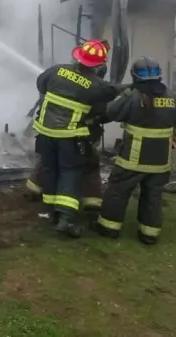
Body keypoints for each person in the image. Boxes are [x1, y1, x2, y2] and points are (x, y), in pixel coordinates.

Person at [95, 56, 176, 245]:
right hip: (160, 161)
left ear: (135, 77)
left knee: (118, 190)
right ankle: (149, 234)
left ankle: (109, 228)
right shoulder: (173, 97)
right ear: (159, 77)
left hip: (133, 158)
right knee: (153, 195)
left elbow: (111, 112)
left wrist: (123, 94)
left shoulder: (133, 96)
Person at [32, 39, 119, 238]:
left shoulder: (55, 71)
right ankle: (66, 220)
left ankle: (52, 211)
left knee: (50, 171)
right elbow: (103, 108)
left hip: (45, 134)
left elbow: (41, 84)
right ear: (99, 65)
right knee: (70, 174)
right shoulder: (96, 86)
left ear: (78, 57)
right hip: (70, 138)